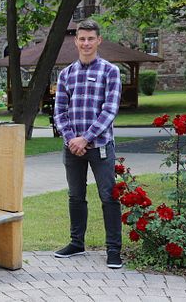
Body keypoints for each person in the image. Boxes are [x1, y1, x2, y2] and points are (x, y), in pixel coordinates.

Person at [53, 20, 123, 269]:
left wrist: (86, 138)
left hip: (100, 146)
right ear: (76, 41)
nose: (86, 43)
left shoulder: (110, 72)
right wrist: (72, 139)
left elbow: (110, 110)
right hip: (72, 148)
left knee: (109, 197)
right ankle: (76, 243)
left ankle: (113, 249)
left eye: (90, 38)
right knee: (75, 196)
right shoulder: (66, 74)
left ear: (98, 40)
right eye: (82, 39)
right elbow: (59, 112)